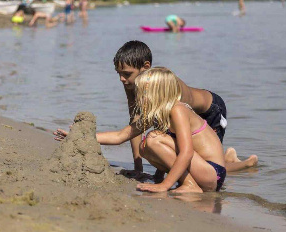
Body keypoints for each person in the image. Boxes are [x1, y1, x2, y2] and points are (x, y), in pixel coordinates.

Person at [55, 41, 257, 179]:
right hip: (186, 121)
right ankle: (228, 157)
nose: (121, 79)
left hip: (210, 111)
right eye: (118, 73)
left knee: (206, 167)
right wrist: (138, 167)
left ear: (146, 66)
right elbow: (134, 122)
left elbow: (171, 132)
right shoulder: (132, 84)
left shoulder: (169, 89)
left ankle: (245, 164)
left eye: (126, 74)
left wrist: (162, 177)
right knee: (178, 156)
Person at [57, 67, 227, 193]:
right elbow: (120, 135)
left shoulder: (178, 109)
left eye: (143, 93)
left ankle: (190, 185)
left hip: (212, 173)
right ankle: (187, 183)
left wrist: (165, 185)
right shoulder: (158, 113)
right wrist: (82, 136)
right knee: (144, 146)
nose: (139, 97)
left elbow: (187, 152)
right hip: (201, 171)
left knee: (154, 138)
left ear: (158, 93)